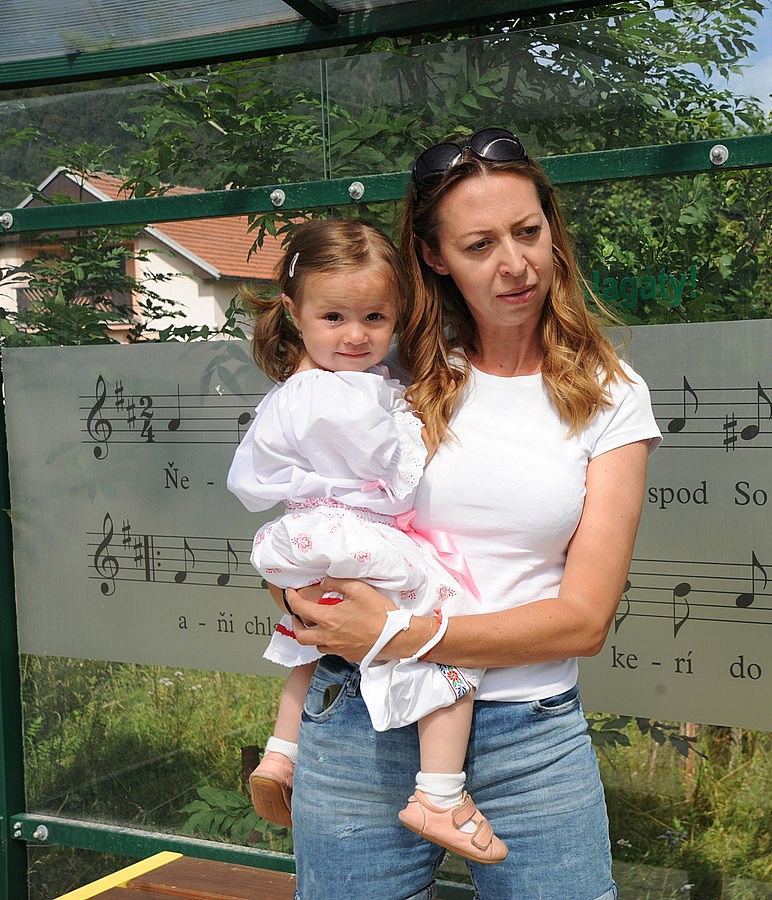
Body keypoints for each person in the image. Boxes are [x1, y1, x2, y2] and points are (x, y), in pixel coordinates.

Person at [276, 127, 661, 899]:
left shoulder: (611, 394)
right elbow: (306, 529)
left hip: (530, 737)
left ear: (552, 230)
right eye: (480, 245)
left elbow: (583, 621)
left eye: (527, 232)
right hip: (360, 724)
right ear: (433, 256)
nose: (514, 263)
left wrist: (402, 632)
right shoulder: (386, 373)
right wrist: (299, 596)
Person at [226, 218, 507, 864]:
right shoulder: (341, 395)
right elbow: (397, 481)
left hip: (305, 531)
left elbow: (250, 479)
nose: (355, 335)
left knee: (316, 637)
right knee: (450, 629)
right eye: (334, 318)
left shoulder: (295, 388)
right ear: (294, 313)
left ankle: (281, 751)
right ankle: (440, 791)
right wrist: (419, 423)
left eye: (374, 318)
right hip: (354, 532)